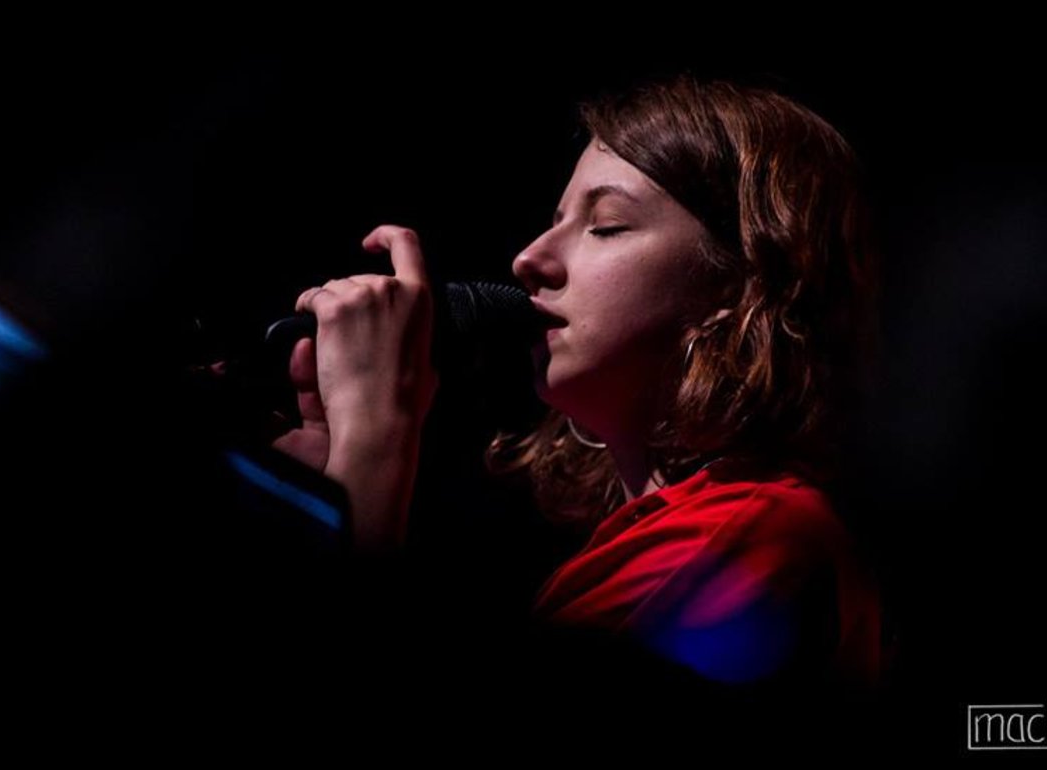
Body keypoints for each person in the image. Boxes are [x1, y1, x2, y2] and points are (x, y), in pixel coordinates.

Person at [270, 73, 887, 727]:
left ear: (742, 287)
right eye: (554, 221)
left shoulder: (762, 539)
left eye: (606, 226)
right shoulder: (662, 539)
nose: (527, 259)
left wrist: (376, 441)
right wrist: (327, 501)